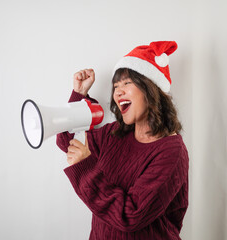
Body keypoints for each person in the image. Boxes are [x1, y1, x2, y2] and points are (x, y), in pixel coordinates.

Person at [57, 41, 189, 240]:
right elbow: (67, 141)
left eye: (127, 83)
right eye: (116, 86)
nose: (117, 92)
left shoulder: (171, 151)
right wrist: (79, 95)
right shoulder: (115, 133)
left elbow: (130, 216)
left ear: (151, 89)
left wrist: (87, 168)